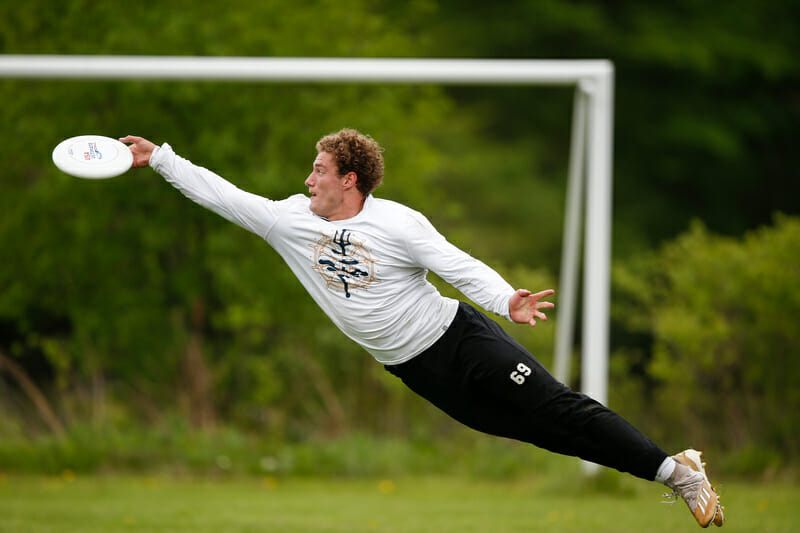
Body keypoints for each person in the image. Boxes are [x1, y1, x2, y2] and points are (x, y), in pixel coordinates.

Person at [120, 129, 724, 528]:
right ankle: (673, 469)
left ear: (349, 179)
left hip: (461, 342)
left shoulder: (398, 223)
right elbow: (222, 195)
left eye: (319, 170)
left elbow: (456, 265)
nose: (309, 180)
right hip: (416, 370)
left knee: (560, 409)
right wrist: (161, 160)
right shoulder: (288, 222)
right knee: (540, 432)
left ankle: (679, 476)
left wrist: (505, 300)